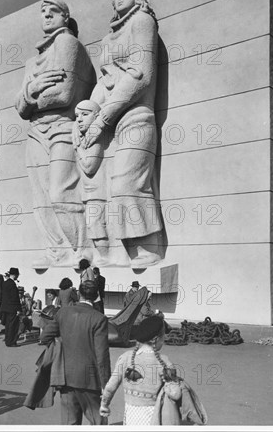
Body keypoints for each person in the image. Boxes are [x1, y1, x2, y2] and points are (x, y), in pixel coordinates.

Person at [85, 0, 163, 266]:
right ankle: (126, 250)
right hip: (112, 124)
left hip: (137, 115)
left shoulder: (142, 21)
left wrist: (102, 117)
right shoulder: (108, 40)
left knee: (128, 182)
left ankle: (148, 247)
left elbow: (141, 75)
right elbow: (104, 82)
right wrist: (89, 114)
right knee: (110, 191)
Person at [15, 0, 96, 267]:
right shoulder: (32, 64)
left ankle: (82, 249)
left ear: (65, 17)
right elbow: (19, 107)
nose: (47, 16)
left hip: (62, 125)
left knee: (61, 191)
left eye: (54, 12)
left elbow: (63, 95)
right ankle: (56, 250)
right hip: (36, 132)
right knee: (40, 199)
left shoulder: (67, 44)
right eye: (43, 12)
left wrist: (31, 97)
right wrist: (34, 87)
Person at [41, 280, 111, 425]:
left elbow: (44, 337)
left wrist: (60, 345)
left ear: (79, 294)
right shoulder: (99, 319)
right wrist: (106, 383)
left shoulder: (63, 312)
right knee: (98, 421)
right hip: (89, 379)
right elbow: (101, 355)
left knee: (69, 422)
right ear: (97, 295)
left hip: (65, 376)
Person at [100, 315, 178, 425]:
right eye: (163, 336)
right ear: (156, 339)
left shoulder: (125, 358)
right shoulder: (164, 362)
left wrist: (104, 405)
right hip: (154, 417)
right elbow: (176, 394)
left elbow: (110, 387)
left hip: (131, 415)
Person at [73, 100, 109, 265]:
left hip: (97, 192)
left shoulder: (95, 140)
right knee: (92, 225)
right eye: (77, 116)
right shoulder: (86, 139)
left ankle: (105, 257)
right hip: (89, 192)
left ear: (96, 116)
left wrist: (77, 147)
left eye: (84, 114)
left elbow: (89, 166)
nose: (79, 119)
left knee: (95, 225)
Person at [0, 267, 22, 347]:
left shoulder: (5, 283)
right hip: (12, 308)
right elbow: (14, 298)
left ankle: (8, 340)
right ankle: (11, 342)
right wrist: (18, 309)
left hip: (5, 307)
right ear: (15, 275)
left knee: (8, 326)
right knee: (13, 326)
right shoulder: (12, 284)